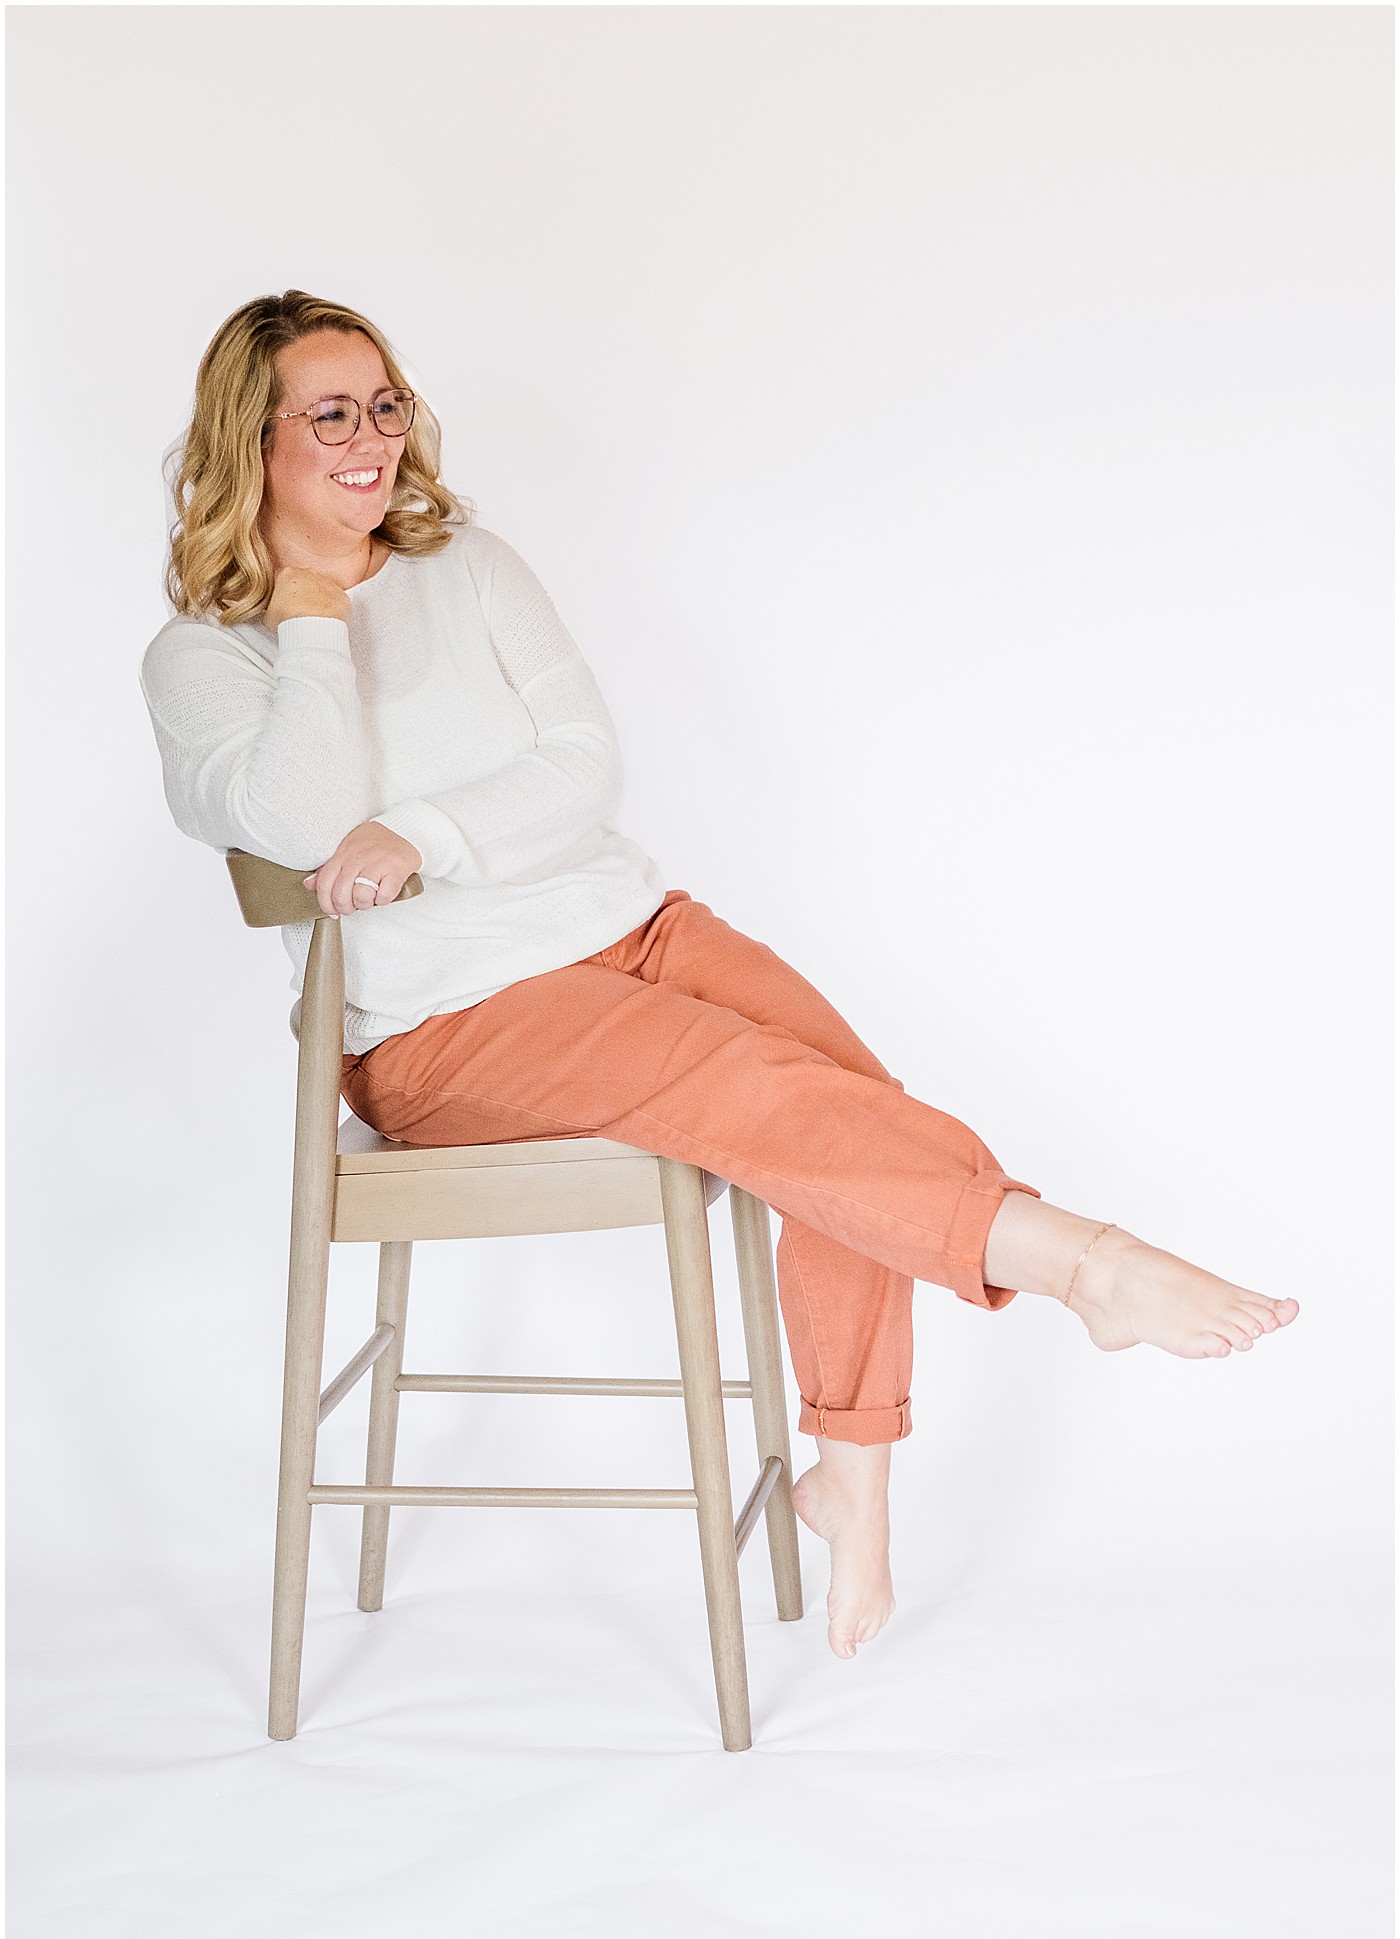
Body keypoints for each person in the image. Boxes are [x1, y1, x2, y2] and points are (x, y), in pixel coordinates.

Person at [141, 290, 1299, 1663]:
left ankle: (848, 1477)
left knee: (845, 1094)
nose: (372, 440)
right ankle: (1085, 1267)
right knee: (761, 1091)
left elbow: (580, 764)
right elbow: (301, 814)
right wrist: (317, 612)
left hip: (628, 925)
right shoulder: (203, 662)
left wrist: (431, 833)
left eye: (385, 404)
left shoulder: (469, 564)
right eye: (329, 415)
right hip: (443, 1025)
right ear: (248, 441)